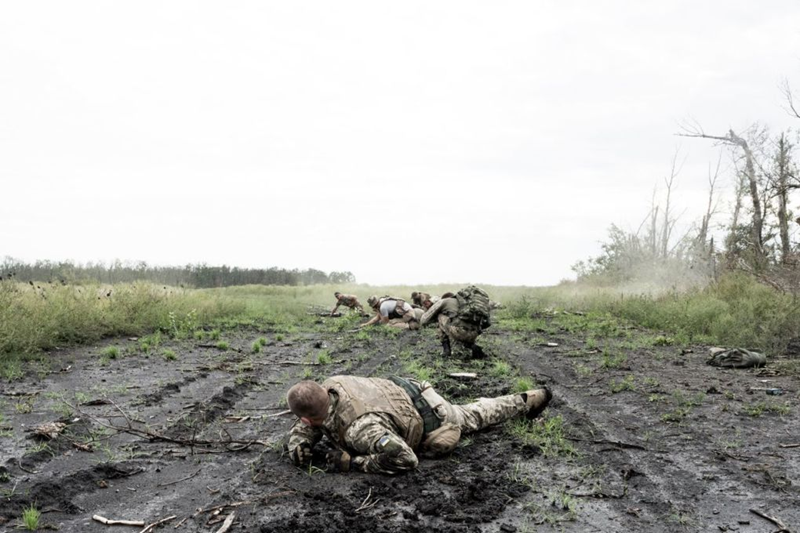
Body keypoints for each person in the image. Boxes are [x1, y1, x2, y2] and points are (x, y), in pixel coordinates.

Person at [286, 375, 552, 474]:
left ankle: (527, 400)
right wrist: (299, 441)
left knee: (473, 416)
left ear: (306, 418)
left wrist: (352, 463)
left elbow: (406, 459)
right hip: (406, 388)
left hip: (432, 412)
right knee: (471, 412)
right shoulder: (331, 385)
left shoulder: (360, 431)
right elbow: (312, 418)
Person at [420, 286, 491, 358]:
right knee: (458, 326)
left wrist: (432, 314)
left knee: (440, 316)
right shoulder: (466, 304)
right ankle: (472, 347)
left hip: (459, 331)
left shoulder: (444, 301)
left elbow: (423, 320)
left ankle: (446, 350)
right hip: (474, 333)